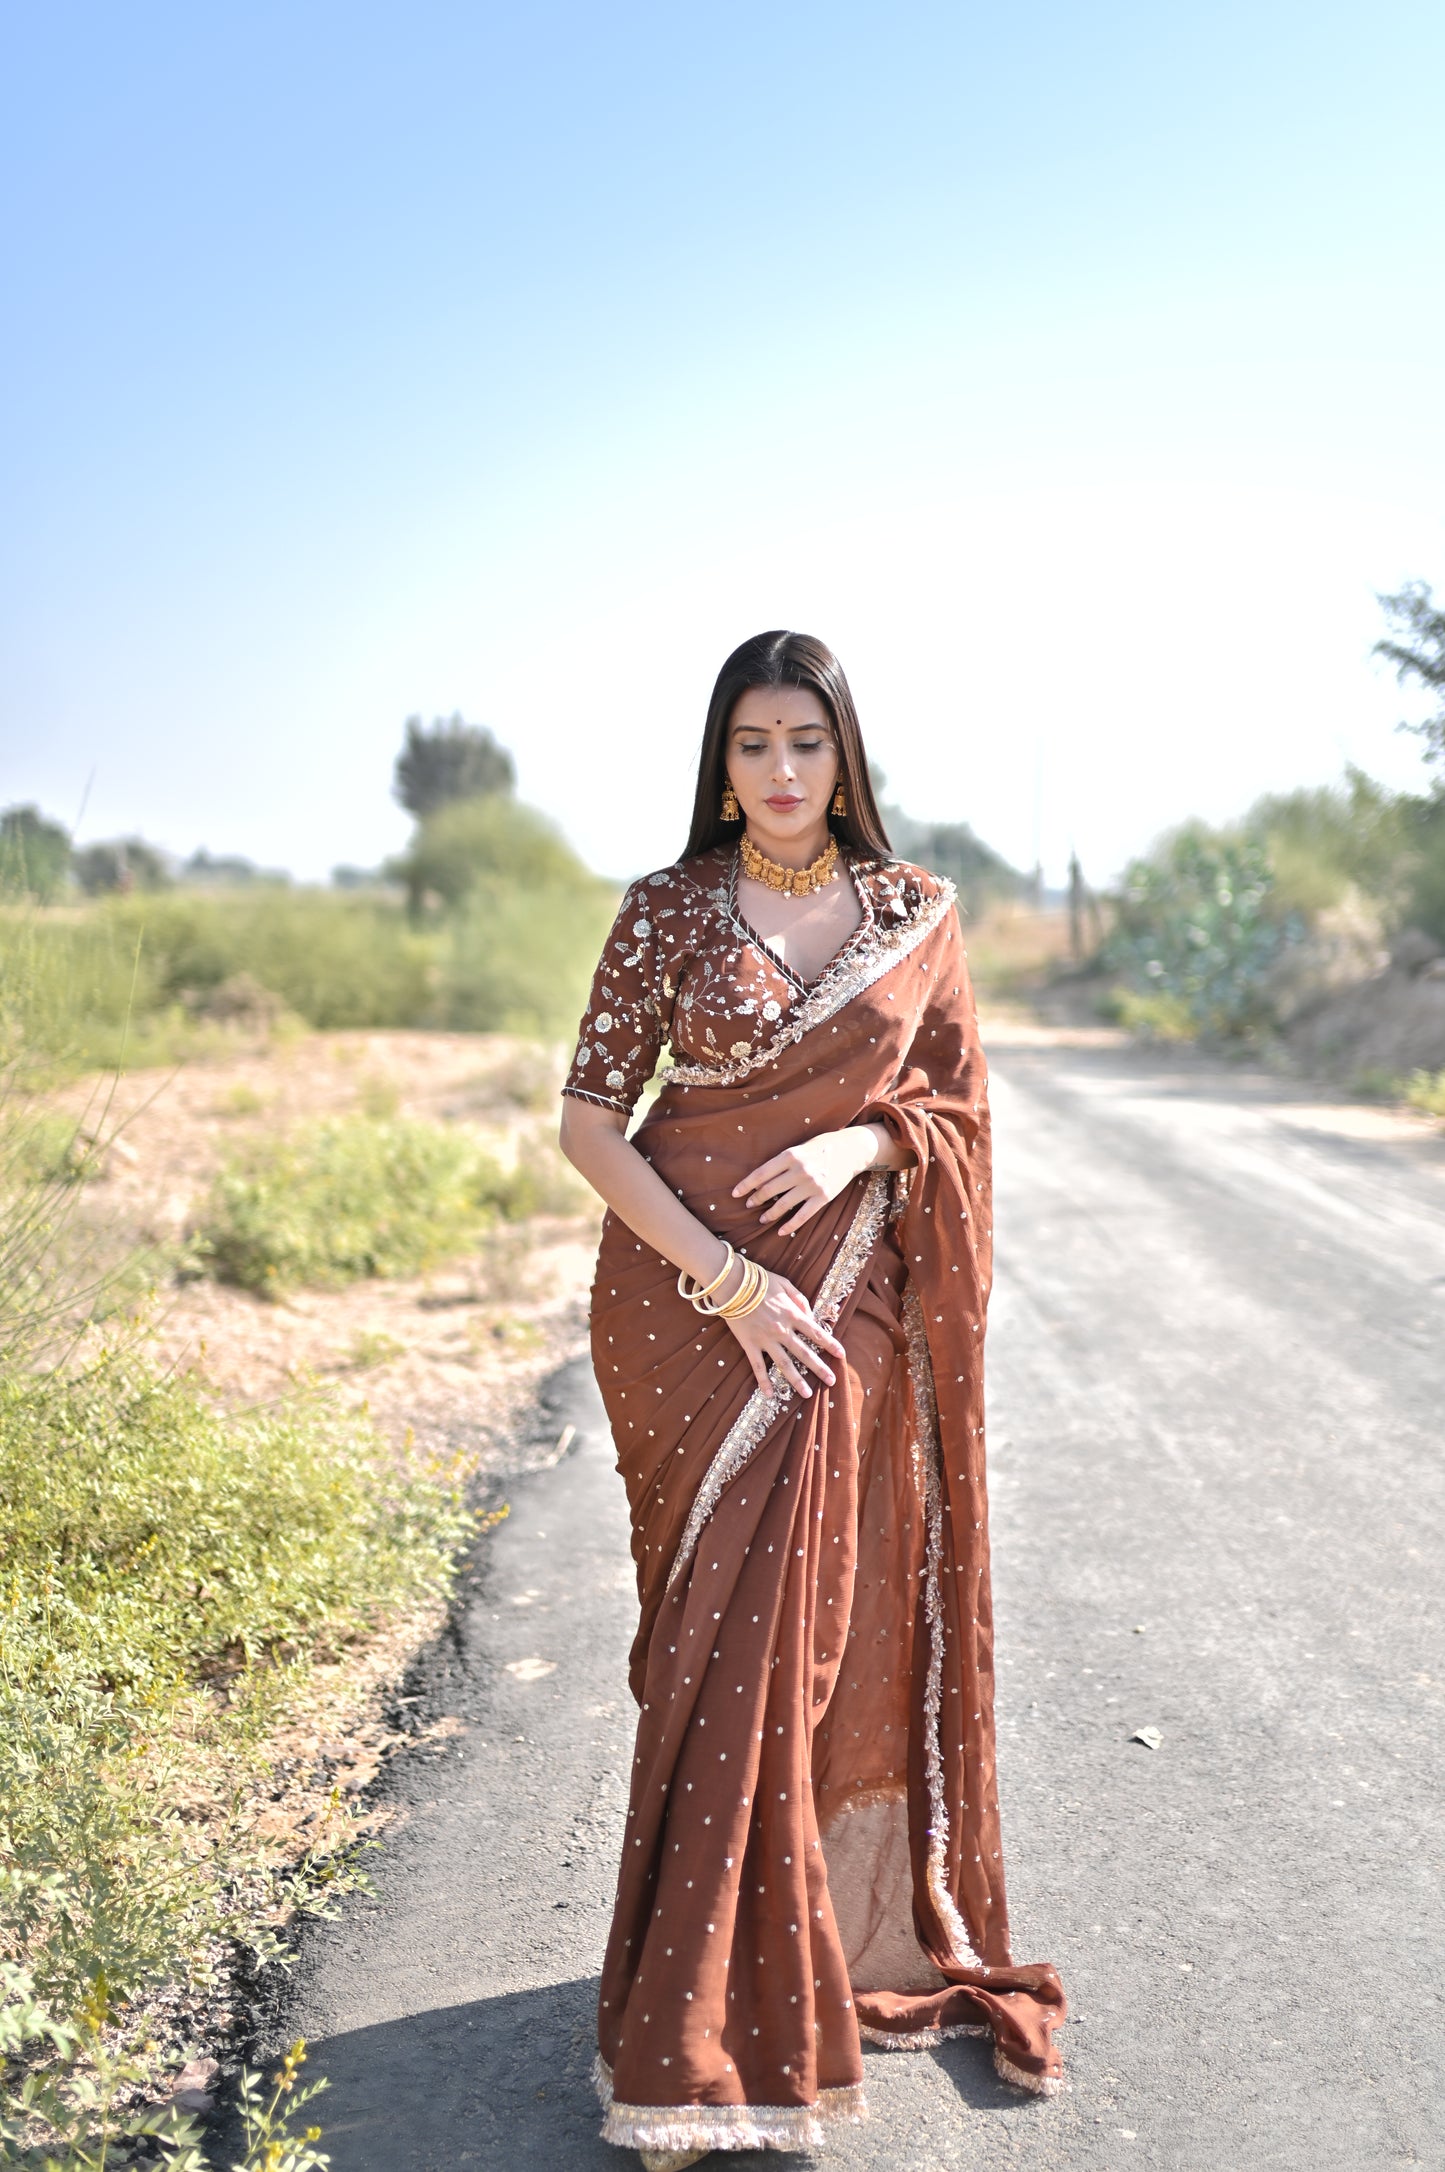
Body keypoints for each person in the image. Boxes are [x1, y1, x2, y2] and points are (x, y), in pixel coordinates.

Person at [559, 631, 1066, 2167]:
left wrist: (865, 1148)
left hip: (842, 1308)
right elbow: (589, 1125)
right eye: (750, 746)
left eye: (805, 744)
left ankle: (717, 2028)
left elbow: (959, 1109)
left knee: (792, 1648)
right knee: (708, 1652)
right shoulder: (663, 913)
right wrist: (725, 1282)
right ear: (718, 765)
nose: (780, 775)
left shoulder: (916, 914)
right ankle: (697, 1999)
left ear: (845, 755)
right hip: (683, 1314)